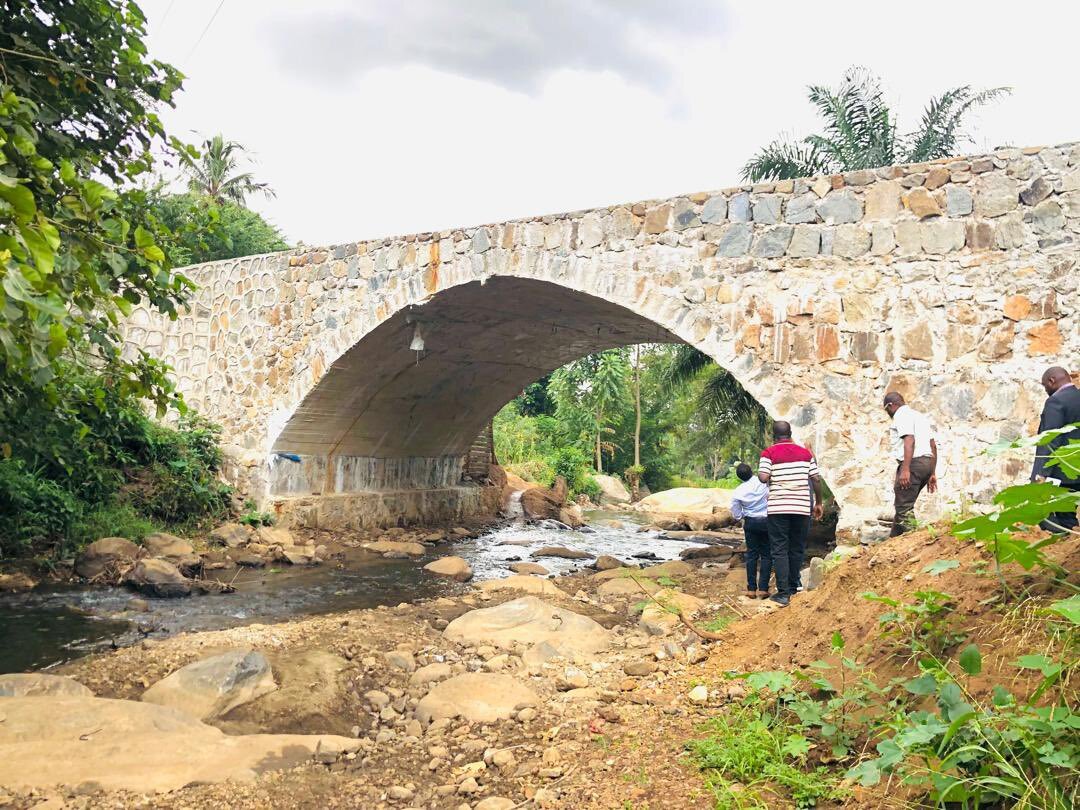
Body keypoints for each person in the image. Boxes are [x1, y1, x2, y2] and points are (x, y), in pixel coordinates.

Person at [758, 421, 823, 607]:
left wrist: (767, 472)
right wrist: (818, 503)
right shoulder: (805, 453)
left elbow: (763, 477)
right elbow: (816, 479)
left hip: (778, 507)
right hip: (802, 508)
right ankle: (794, 588)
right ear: (790, 433)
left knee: (779, 549)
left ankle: (784, 593)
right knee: (796, 548)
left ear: (774, 435)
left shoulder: (769, 453)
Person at [1031, 366, 1080, 532]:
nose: (1045, 390)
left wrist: (1040, 475)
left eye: (1045, 386)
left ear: (1051, 381)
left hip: (1062, 472)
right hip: (1076, 466)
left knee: (1052, 519)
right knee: (1068, 517)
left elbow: (1050, 439)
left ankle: (1066, 552)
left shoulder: (1056, 401)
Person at [883, 392, 938, 536]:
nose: (888, 413)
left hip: (913, 464)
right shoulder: (919, 416)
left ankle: (915, 540)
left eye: (886, 410)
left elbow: (909, 440)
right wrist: (932, 473)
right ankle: (892, 543)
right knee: (903, 504)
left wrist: (905, 469)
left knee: (904, 508)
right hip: (926, 464)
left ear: (890, 405)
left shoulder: (901, 415)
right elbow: (932, 445)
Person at [730, 462, 771, 598]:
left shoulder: (738, 491)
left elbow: (735, 512)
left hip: (751, 523)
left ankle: (751, 589)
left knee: (751, 554)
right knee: (766, 554)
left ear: (739, 477)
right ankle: (764, 589)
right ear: (752, 471)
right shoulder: (764, 483)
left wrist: (743, 515)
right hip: (767, 521)